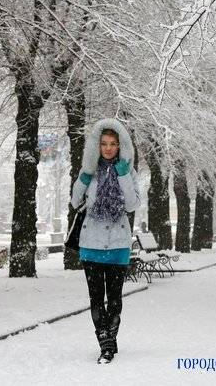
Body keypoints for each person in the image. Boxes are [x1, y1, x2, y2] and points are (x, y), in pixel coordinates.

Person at [71, 118, 141, 364]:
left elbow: (132, 205)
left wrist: (122, 174)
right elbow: (75, 200)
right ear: (96, 146)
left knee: (115, 300)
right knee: (95, 299)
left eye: (113, 144)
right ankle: (107, 343)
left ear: (121, 146)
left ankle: (109, 340)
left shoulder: (129, 172)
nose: (109, 148)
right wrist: (86, 175)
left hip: (118, 246)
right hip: (91, 245)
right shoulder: (90, 171)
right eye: (103, 144)